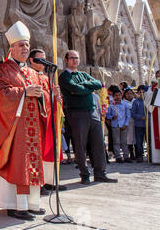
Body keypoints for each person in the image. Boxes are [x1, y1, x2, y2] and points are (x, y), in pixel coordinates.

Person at [0, 21, 48, 221]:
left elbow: (41, 94)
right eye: (21, 45)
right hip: (13, 128)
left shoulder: (32, 72)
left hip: (32, 128)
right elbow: (0, 94)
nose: (25, 48)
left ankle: (32, 203)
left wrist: (42, 95)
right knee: (18, 163)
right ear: (11, 48)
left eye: (27, 45)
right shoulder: (3, 70)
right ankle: (15, 205)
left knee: (32, 163)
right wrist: (24, 92)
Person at [58, 50, 117, 184]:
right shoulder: (64, 77)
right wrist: (87, 88)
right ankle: (84, 174)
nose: (75, 60)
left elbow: (98, 84)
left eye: (77, 58)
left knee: (99, 144)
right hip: (77, 114)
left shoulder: (83, 74)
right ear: (66, 60)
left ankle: (100, 173)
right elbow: (76, 89)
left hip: (92, 112)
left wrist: (84, 87)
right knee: (80, 145)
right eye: (72, 58)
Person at [28, 48, 67, 193]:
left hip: (50, 118)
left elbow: (54, 98)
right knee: (39, 150)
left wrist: (57, 97)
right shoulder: (28, 75)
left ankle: (51, 181)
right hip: (37, 119)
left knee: (51, 149)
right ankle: (39, 182)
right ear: (32, 60)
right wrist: (49, 95)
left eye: (45, 59)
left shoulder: (47, 77)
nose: (44, 62)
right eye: (40, 59)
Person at [106, 89, 132, 163]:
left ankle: (126, 156)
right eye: (116, 95)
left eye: (119, 95)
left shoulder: (125, 104)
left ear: (121, 95)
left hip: (123, 125)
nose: (117, 97)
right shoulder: (111, 105)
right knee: (116, 141)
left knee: (124, 142)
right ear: (113, 96)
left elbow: (128, 115)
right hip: (115, 125)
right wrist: (112, 117)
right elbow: (107, 115)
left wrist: (125, 124)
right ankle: (118, 157)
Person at [144, 70, 160, 164]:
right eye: (157, 76)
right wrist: (154, 92)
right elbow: (147, 100)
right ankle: (157, 158)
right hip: (156, 112)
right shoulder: (152, 88)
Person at [132, 85, 149, 162]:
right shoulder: (136, 102)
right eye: (140, 92)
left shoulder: (148, 102)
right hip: (139, 124)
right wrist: (140, 117)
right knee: (139, 141)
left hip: (148, 125)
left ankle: (150, 154)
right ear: (138, 92)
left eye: (143, 92)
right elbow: (133, 113)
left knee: (149, 140)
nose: (142, 93)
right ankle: (140, 155)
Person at [123, 88, 136, 160]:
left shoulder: (135, 101)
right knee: (129, 138)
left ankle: (138, 152)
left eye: (131, 93)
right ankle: (131, 153)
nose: (129, 95)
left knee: (136, 137)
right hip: (127, 121)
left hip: (136, 121)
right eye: (127, 93)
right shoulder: (123, 102)